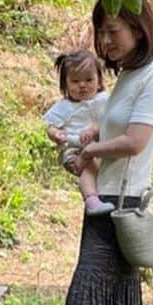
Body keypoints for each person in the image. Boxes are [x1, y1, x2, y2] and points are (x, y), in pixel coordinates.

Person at [32, 0, 153, 305]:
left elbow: (134, 141)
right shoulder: (129, 77)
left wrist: (89, 149)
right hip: (111, 195)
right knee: (116, 297)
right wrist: (94, 133)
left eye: (114, 31)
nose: (106, 41)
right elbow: (117, 130)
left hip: (119, 200)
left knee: (86, 294)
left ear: (138, 28)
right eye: (101, 32)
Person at [43, 50, 111, 215]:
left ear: (99, 80)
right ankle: (91, 199)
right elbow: (51, 127)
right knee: (87, 167)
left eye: (89, 80)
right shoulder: (64, 106)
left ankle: (100, 197)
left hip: (98, 146)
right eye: (75, 81)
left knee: (98, 166)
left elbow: (109, 120)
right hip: (73, 147)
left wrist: (94, 129)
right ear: (65, 84)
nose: (82, 85)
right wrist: (56, 135)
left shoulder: (103, 100)